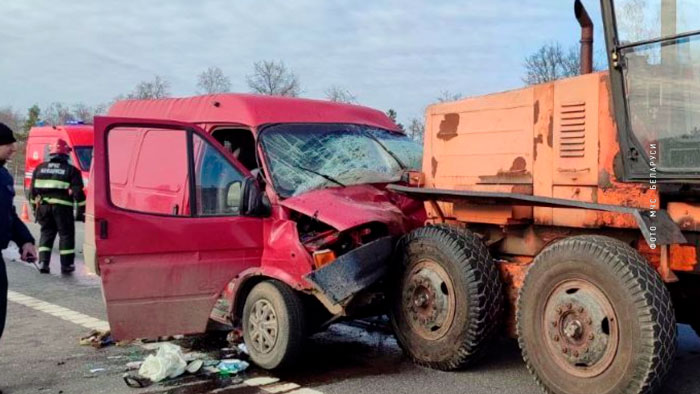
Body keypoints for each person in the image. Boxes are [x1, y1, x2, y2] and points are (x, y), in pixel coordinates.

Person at [0, 122, 37, 342]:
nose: (13, 148)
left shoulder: (3, 176)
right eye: (7, 143)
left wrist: (25, 241)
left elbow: (9, 215)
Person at [30, 138, 85, 274]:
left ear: (51, 153)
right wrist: (82, 210)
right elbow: (78, 193)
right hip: (63, 209)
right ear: (66, 154)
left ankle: (43, 263)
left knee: (46, 234)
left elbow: (32, 192)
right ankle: (66, 265)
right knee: (66, 235)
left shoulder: (39, 168)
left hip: (43, 207)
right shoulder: (71, 170)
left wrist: (34, 208)